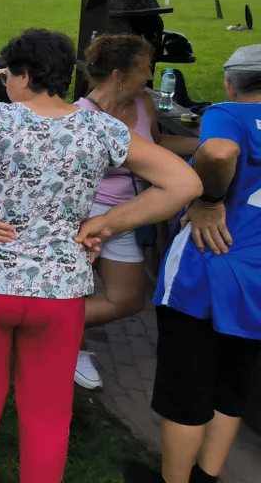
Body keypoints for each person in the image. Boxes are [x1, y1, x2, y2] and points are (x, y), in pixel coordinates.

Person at [0, 29, 201, 483]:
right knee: (47, 410)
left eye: (8, 74)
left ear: (23, 76)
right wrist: (108, 224)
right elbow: (185, 184)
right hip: (60, 288)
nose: (6, 82)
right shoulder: (101, 128)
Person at [124, 44, 261, 483]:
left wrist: (209, 199)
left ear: (229, 83)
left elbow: (218, 153)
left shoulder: (230, 114)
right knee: (231, 386)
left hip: (210, 269)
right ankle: (208, 477)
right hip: (258, 279)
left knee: (185, 390)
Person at [72, 35, 199, 390]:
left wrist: (208, 140)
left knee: (127, 300)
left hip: (132, 211)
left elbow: (155, 147)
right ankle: (70, 346)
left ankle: (48, 328)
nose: (149, 75)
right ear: (118, 74)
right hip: (86, 212)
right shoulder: (80, 117)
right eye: (143, 69)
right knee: (73, 290)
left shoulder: (143, 102)